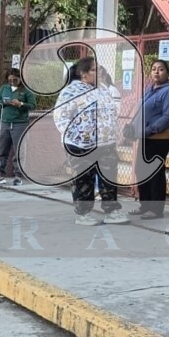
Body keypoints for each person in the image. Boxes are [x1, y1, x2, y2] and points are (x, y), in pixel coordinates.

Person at [54, 57, 128, 226]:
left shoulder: (102, 89)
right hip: (81, 145)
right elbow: (60, 116)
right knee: (84, 180)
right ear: (83, 74)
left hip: (105, 143)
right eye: (94, 70)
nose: (99, 73)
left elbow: (111, 112)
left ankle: (112, 211)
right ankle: (83, 214)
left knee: (109, 177)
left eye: (99, 69)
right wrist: (76, 135)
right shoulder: (71, 91)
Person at [126, 60, 169, 220]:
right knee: (140, 171)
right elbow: (141, 111)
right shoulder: (150, 90)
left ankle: (156, 209)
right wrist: (132, 127)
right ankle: (145, 205)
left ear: (167, 73)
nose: (157, 72)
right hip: (145, 136)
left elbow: (167, 117)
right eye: (154, 69)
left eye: (161, 69)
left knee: (154, 173)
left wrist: (148, 130)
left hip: (159, 138)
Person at [0, 69, 36, 187]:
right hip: (5, 123)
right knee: (2, 150)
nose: (12, 82)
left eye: (15, 79)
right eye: (10, 80)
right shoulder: (4, 88)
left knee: (19, 151)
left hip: (20, 124)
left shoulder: (26, 91)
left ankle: (18, 176)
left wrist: (21, 104)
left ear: (20, 79)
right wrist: (6, 102)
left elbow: (33, 105)